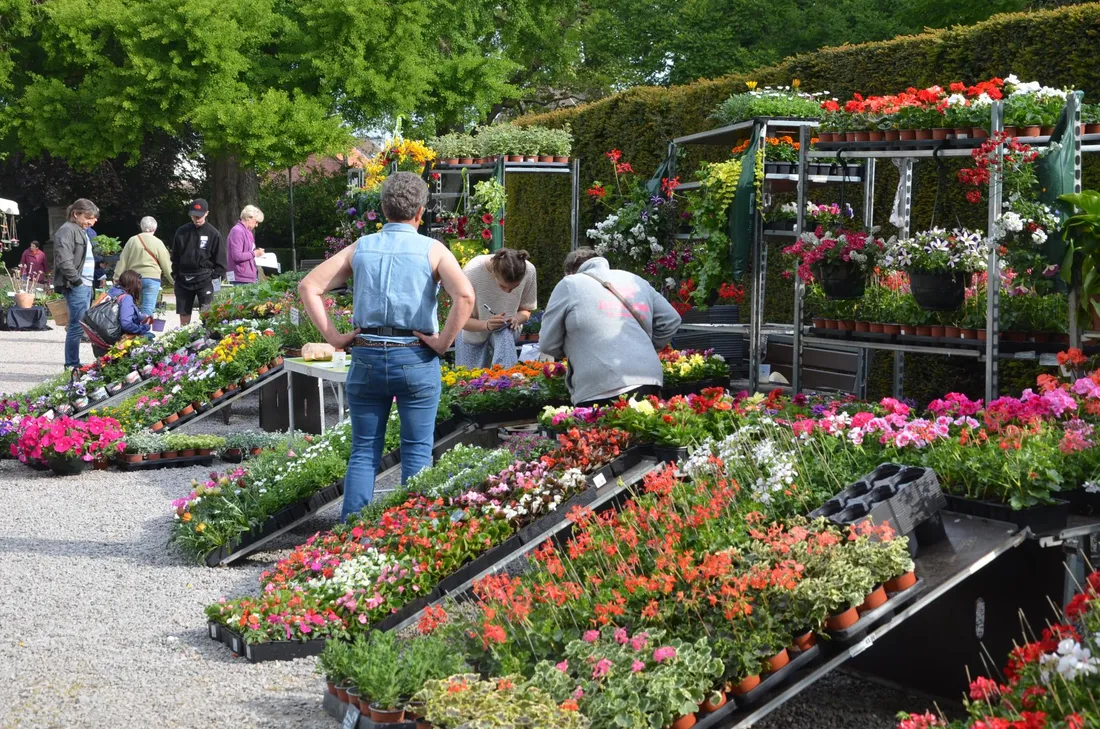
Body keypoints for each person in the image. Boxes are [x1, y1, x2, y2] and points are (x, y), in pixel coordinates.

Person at [298, 172, 474, 519]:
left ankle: (351, 535)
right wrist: (441, 343)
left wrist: (334, 337)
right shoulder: (433, 250)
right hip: (415, 355)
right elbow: (465, 296)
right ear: (421, 212)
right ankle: (410, 534)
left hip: (366, 355)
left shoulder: (361, 247)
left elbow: (309, 286)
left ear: (383, 209)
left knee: (364, 450)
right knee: (417, 451)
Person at [540, 247, 682, 407]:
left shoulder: (569, 284)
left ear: (570, 272)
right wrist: (645, 346)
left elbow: (547, 343)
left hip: (598, 385)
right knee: (642, 430)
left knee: (603, 432)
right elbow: (672, 319)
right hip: (648, 377)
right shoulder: (635, 280)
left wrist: (577, 350)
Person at [455, 248, 537, 369]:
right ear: (494, 272)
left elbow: (526, 310)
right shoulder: (472, 272)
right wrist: (486, 325)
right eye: (503, 286)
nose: (508, 292)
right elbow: (460, 320)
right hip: (472, 332)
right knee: (470, 381)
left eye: (515, 287)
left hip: (505, 332)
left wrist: (516, 319)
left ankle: (506, 381)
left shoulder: (529, 271)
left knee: (503, 333)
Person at [53, 198, 99, 370]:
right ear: (76, 214)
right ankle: (72, 364)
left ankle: (73, 363)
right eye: (89, 217)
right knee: (76, 326)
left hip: (84, 285)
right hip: (77, 285)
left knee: (79, 326)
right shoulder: (67, 230)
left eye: (93, 218)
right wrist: (78, 282)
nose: (93, 221)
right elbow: (64, 260)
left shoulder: (79, 230)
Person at [171, 198, 225, 326]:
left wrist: (215, 278)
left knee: (207, 313)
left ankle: (206, 339)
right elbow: (175, 256)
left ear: (206, 213)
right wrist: (176, 275)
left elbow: (221, 260)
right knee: (184, 314)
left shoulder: (213, 234)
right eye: (194, 216)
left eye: (199, 216)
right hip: (184, 279)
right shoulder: (182, 232)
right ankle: (183, 339)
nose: (197, 218)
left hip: (205, 279)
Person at [87, 269, 152, 358]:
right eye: (139, 283)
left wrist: (142, 317)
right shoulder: (126, 298)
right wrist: (144, 327)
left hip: (100, 340)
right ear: (133, 284)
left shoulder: (112, 291)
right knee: (150, 336)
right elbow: (126, 324)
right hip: (116, 341)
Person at [117, 216, 174, 317]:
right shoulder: (158, 242)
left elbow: (123, 260)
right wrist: (173, 280)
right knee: (148, 308)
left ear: (141, 227)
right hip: (152, 278)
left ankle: (131, 330)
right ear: (155, 228)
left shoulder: (132, 240)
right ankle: (144, 331)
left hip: (133, 278)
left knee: (131, 306)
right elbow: (166, 263)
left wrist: (116, 277)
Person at [226, 205, 266, 285]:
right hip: (240, 278)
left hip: (249, 277)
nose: (256, 225)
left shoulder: (248, 232)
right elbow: (237, 256)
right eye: (256, 221)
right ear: (249, 218)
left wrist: (257, 252)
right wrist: (254, 253)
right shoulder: (237, 231)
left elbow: (248, 252)